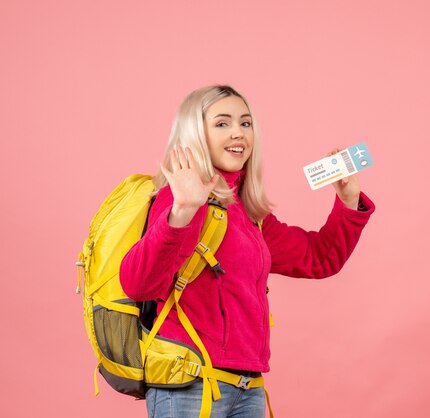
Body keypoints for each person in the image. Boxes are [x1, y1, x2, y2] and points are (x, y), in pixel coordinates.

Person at [120, 85, 375, 418]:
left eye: (246, 123)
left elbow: (318, 258)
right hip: (189, 386)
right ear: (196, 133)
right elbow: (139, 285)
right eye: (222, 123)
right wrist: (182, 210)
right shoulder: (179, 200)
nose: (238, 133)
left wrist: (346, 200)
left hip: (247, 387)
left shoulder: (249, 216)